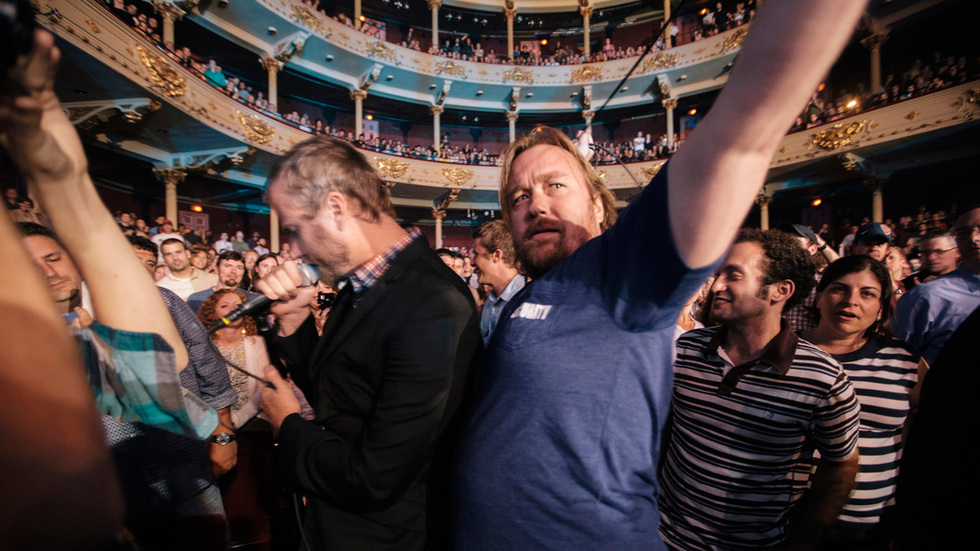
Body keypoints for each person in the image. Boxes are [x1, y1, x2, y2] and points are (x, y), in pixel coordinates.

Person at [452, 1, 869, 548]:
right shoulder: (538, 292)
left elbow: (739, 140)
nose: (534, 205)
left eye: (556, 185)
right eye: (519, 197)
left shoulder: (624, 273)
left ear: (600, 206)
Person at [1, 28, 221, 548]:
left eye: (55, 258)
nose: (49, 273)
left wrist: (63, 178)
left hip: (168, 500)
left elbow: (161, 372)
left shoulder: (101, 331)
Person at [253, 136, 481, 550]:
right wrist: (294, 321)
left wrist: (289, 426)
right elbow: (340, 396)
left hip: (382, 537)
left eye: (295, 230)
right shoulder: (361, 284)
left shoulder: (433, 303)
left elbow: (376, 478)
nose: (294, 249)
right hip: (338, 524)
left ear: (336, 208)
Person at [659, 229, 861, 550]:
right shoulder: (686, 349)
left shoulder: (823, 377)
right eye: (718, 274)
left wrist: (804, 540)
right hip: (663, 537)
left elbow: (841, 465)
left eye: (733, 276)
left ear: (780, 290)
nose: (717, 286)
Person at [799, 256, 927, 548]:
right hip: (790, 517)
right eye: (838, 289)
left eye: (867, 293)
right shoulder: (783, 353)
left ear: (881, 306)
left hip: (872, 523)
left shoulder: (903, 359)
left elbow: (924, 424)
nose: (850, 301)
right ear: (819, 296)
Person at [893, 205, 980, 364]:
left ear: (955, 252)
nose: (974, 238)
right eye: (963, 233)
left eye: (938, 252)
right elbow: (898, 363)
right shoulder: (924, 296)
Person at [472, 220, 525, 346]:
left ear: (496, 255)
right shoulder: (491, 301)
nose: (472, 262)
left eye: (476, 254)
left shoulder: (525, 299)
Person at [187, 250, 259, 313]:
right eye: (227, 266)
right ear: (217, 269)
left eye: (239, 267)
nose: (233, 271)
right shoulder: (198, 299)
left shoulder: (250, 299)